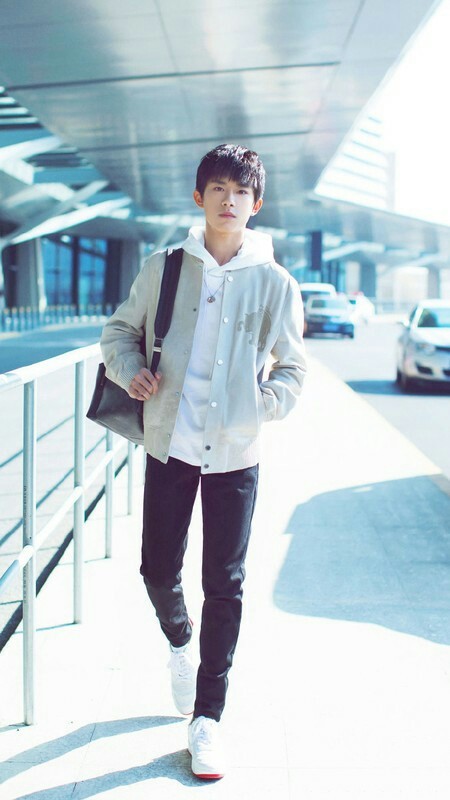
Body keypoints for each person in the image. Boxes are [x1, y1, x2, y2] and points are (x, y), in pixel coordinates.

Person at [100, 143, 307, 780]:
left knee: (226, 583)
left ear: (256, 203)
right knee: (156, 567)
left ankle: (208, 717)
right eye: (217, 189)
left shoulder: (275, 283)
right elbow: (118, 333)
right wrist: (130, 371)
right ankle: (179, 641)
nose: (228, 201)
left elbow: (294, 369)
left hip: (235, 454)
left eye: (240, 192)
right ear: (199, 197)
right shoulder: (164, 267)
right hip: (171, 444)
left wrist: (261, 405)